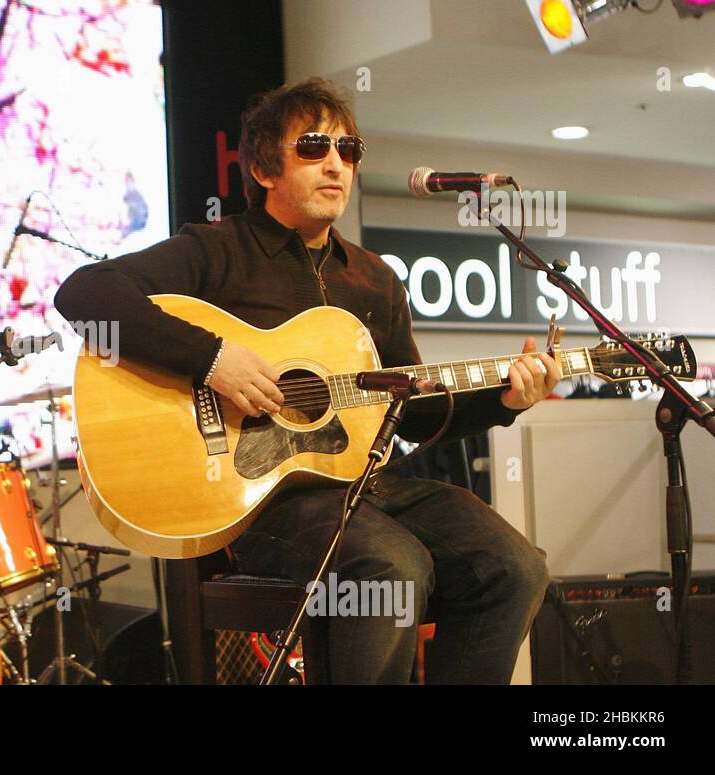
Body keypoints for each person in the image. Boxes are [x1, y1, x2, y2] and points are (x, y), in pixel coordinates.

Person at [53, 77, 558, 684]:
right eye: (315, 147)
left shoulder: (373, 279)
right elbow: (83, 293)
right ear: (266, 168)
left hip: (370, 487)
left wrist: (503, 400)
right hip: (263, 504)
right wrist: (213, 358)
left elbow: (413, 411)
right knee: (392, 567)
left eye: (349, 151)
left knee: (516, 565)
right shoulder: (217, 250)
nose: (336, 165)